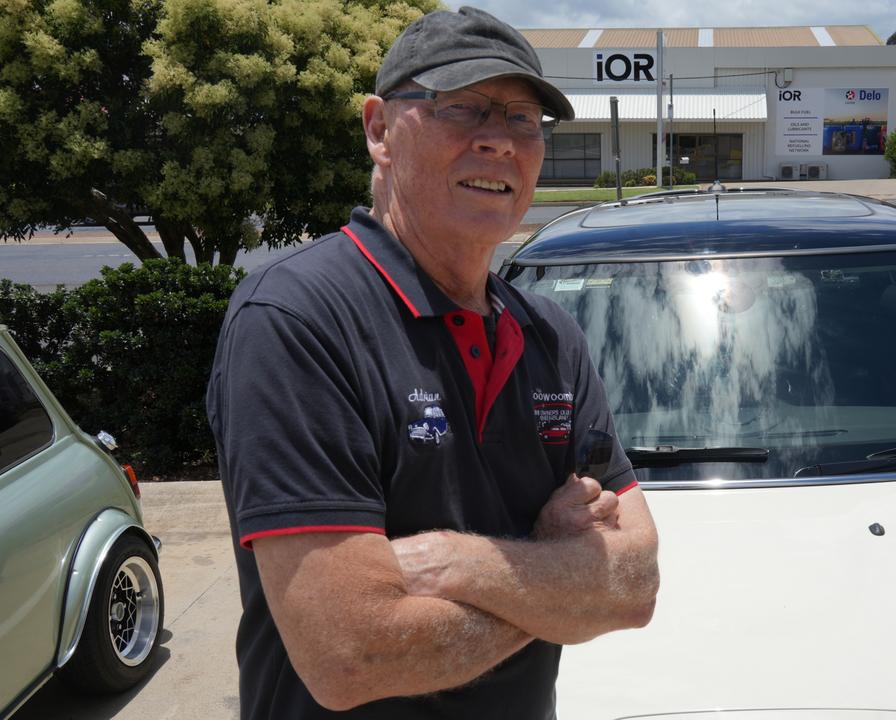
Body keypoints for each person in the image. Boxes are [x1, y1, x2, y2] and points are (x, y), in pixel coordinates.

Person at [205, 7, 660, 719]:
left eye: (522, 119)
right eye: (462, 107)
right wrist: (556, 578)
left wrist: (458, 562)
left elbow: (632, 587)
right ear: (380, 129)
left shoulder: (550, 337)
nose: (499, 141)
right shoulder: (297, 322)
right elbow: (352, 655)